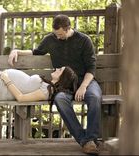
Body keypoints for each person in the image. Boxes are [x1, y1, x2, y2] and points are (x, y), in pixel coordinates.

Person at [8, 14, 102, 154]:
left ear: (68, 28)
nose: (57, 37)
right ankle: (85, 141)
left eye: (60, 34)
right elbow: (36, 51)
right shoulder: (51, 39)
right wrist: (16, 51)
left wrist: (83, 87)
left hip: (85, 81)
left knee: (94, 97)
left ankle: (92, 139)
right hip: (64, 84)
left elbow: (91, 68)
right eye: (55, 34)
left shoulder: (84, 40)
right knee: (59, 99)